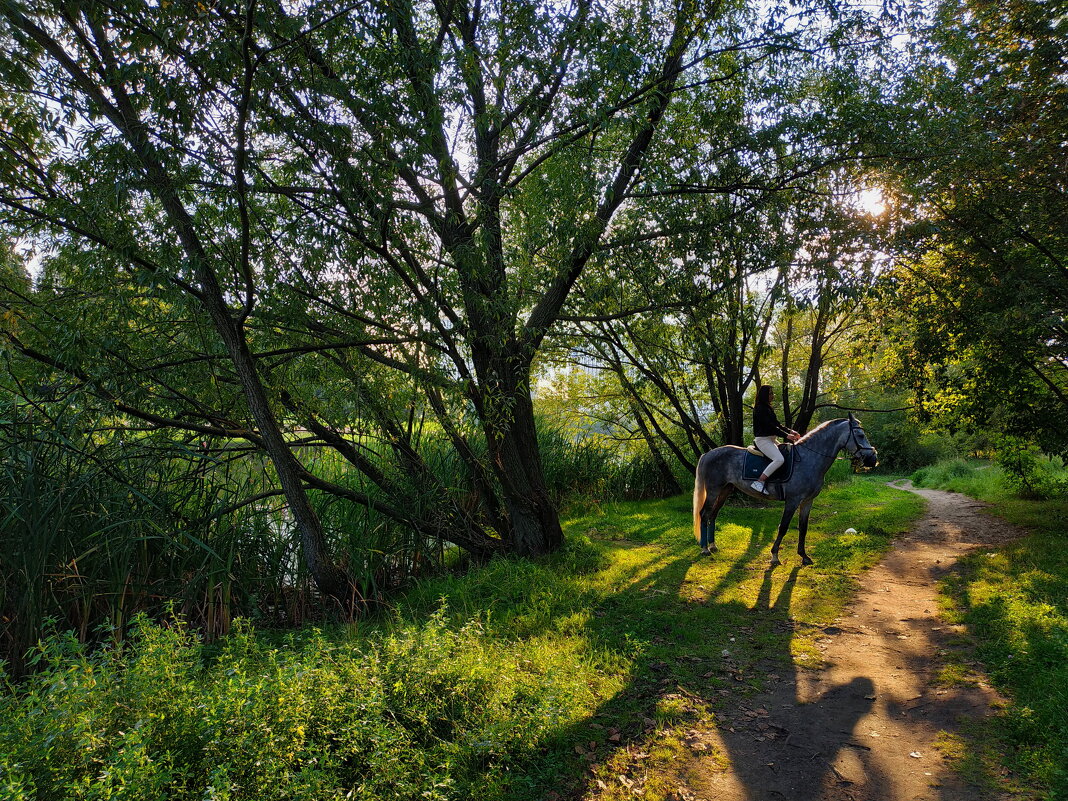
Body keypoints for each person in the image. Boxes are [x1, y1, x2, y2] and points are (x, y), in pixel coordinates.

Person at [750, 385, 799, 495]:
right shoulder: (760, 408)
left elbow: (776, 424)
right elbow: (769, 427)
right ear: (765, 395)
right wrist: (786, 436)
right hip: (763, 440)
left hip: (771, 439)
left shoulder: (767, 408)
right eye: (770, 394)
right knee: (779, 459)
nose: (773, 396)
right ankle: (759, 481)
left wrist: (791, 431)